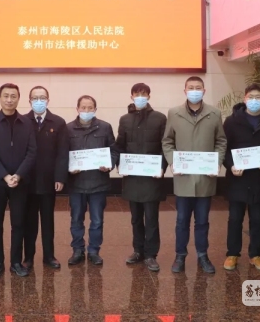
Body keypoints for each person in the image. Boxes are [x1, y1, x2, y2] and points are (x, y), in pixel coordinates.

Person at [162, 76, 227, 274]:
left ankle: (202, 255)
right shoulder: (174, 113)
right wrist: (173, 161)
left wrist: (217, 162)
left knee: (203, 221)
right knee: (182, 220)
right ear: (185, 91)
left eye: (198, 87)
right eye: (191, 88)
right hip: (183, 177)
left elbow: (221, 141)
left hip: (205, 177)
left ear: (204, 91)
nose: (194, 91)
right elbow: (167, 141)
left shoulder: (214, 113)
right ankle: (180, 255)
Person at [221, 84, 260, 271]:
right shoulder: (231, 121)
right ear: (245, 99)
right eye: (251, 97)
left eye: (258, 97)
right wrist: (231, 165)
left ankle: (256, 255)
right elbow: (224, 148)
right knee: (235, 218)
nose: (254, 100)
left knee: (257, 219)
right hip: (237, 179)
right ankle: (232, 254)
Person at [0, 83, 37, 278]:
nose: (9, 100)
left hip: (20, 181)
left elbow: (32, 152)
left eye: (13, 96)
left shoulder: (27, 122)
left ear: (18, 98)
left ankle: (15, 262)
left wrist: (18, 175)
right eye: (5, 96)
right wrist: (5, 176)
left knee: (18, 223)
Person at [115, 83, 168, 272]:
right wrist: (120, 165)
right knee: (136, 218)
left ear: (149, 96)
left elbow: (165, 146)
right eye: (136, 94)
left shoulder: (160, 118)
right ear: (131, 96)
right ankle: (138, 250)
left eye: (143, 94)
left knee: (151, 218)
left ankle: (151, 254)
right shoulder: (125, 119)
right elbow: (120, 145)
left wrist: (162, 167)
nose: (140, 97)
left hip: (152, 177)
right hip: (132, 177)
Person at [67, 95, 119, 266]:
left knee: (97, 220)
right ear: (77, 109)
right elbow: (62, 154)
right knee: (76, 219)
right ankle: (77, 249)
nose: (86, 111)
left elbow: (113, 150)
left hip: (98, 183)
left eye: (90, 108)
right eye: (83, 107)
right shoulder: (68, 129)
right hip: (76, 183)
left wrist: (109, 164)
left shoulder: (105, 127)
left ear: (95, 109)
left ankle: (94, 251)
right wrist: (68, 167)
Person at [22, 86, 69, 270]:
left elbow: (62, 153)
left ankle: (49, 256)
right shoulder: (22, 121)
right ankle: (28, 257)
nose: (39, 101)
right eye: (35, 98)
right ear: (29, 101)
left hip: (49, 180)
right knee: (29, 222)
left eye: (42, 97)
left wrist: (60, 177)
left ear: (48, 100)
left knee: (48, 221)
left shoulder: (58, 122)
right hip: (27, 181)